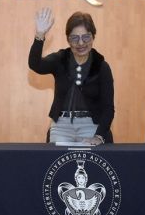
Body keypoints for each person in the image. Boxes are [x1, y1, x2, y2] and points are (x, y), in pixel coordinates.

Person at [29, 8, 114, 145]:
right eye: (74, 38)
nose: (80, 43)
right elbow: (35, 65)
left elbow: (108, 108)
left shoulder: (102, 67)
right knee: (58, 164)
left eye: (86, 37)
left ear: (93, 37)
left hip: (91, 126)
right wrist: (40, 34)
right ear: (68, 39)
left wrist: (98, 137)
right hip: (61, 127)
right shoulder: (59, 59)